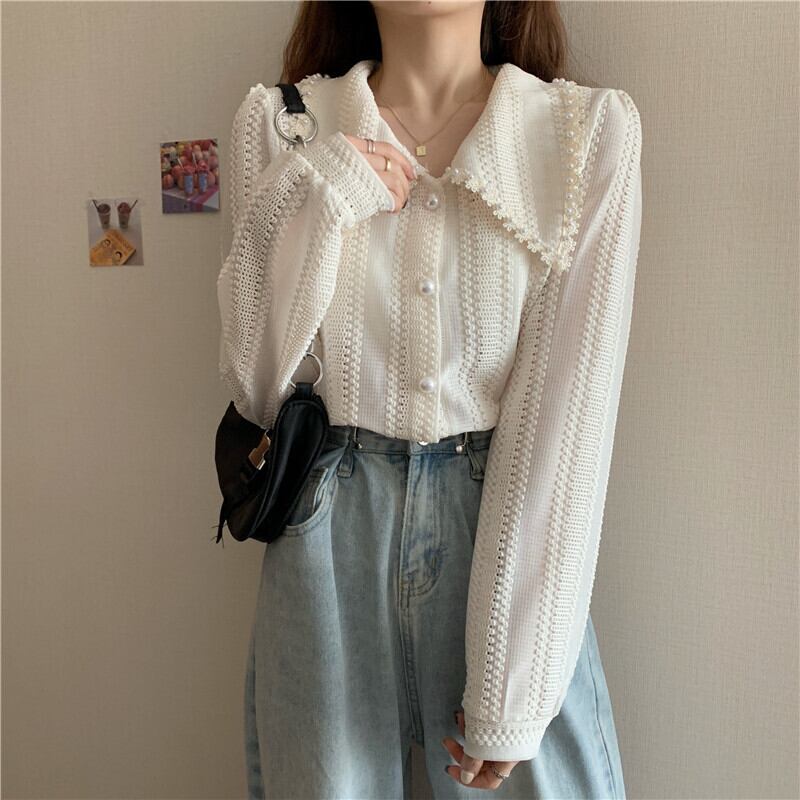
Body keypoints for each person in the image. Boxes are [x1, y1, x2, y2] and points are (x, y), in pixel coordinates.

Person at [217, 1, 642, 797]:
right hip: (324, 534)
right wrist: (327, 195)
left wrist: (517, 685)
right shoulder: (281, 126)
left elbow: (569, 420)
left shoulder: (582, 134)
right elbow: (257, 384)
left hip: (505, 526)